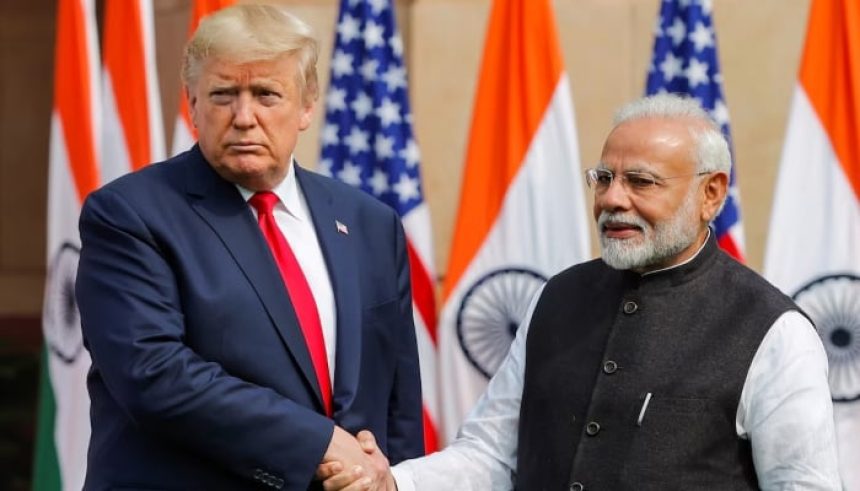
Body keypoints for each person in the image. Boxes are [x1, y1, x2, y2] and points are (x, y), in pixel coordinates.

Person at [318, 93, 842, 490]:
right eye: (603, 178)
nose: (613, 200)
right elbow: (492, 455)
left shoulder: (773, 331)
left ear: (711, 194)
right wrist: (394, 482)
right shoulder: (559, 298)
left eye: (641, 181)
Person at [75, 4, 423, 490]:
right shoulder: (130, 215)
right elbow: (152, 374)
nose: (244, 117)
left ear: (306, 105)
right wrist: (317, 441)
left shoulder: (370, 222)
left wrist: (399, 480)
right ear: (192, 104)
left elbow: (397, 397)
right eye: (223, 95)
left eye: (265, 94)